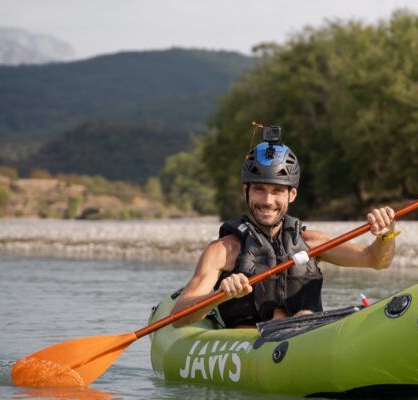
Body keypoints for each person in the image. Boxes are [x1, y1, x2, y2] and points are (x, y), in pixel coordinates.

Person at [170, 127, 397, 328]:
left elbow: (376, 260)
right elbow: (178, 317)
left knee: (306, 314)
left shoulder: (312, 243)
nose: (267, 201)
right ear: (245, 191)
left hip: (305, 339)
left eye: (277, 191)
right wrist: (219, 295)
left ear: (292, 194)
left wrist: (385, 235)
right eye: (259, 189)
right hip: (249, 348)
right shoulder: (223, 251)